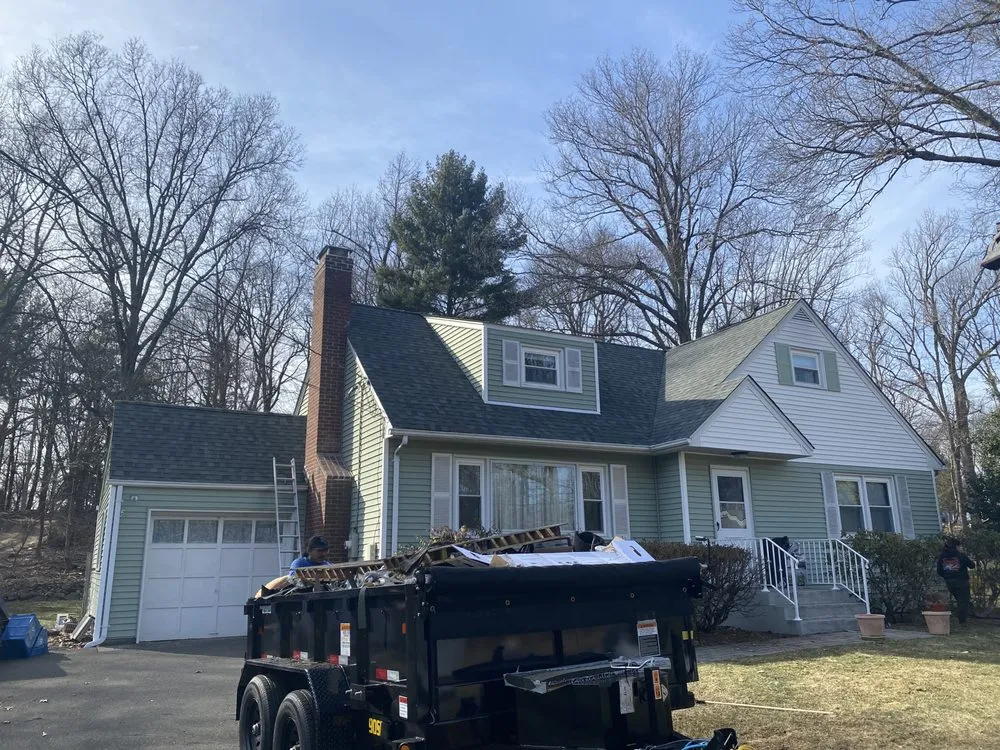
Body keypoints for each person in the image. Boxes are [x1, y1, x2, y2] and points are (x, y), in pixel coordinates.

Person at [936, 537, 976, 624]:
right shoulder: (961, 555)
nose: (960, 548)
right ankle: (962, 621)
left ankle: (964, 616)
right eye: (959, 546)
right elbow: (972, 565)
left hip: (949, 582)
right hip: (962, 582)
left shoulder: (942, 556)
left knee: (960, 600)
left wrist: (947, 576)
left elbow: (939, 571)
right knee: (963, 602)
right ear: (956, 546)